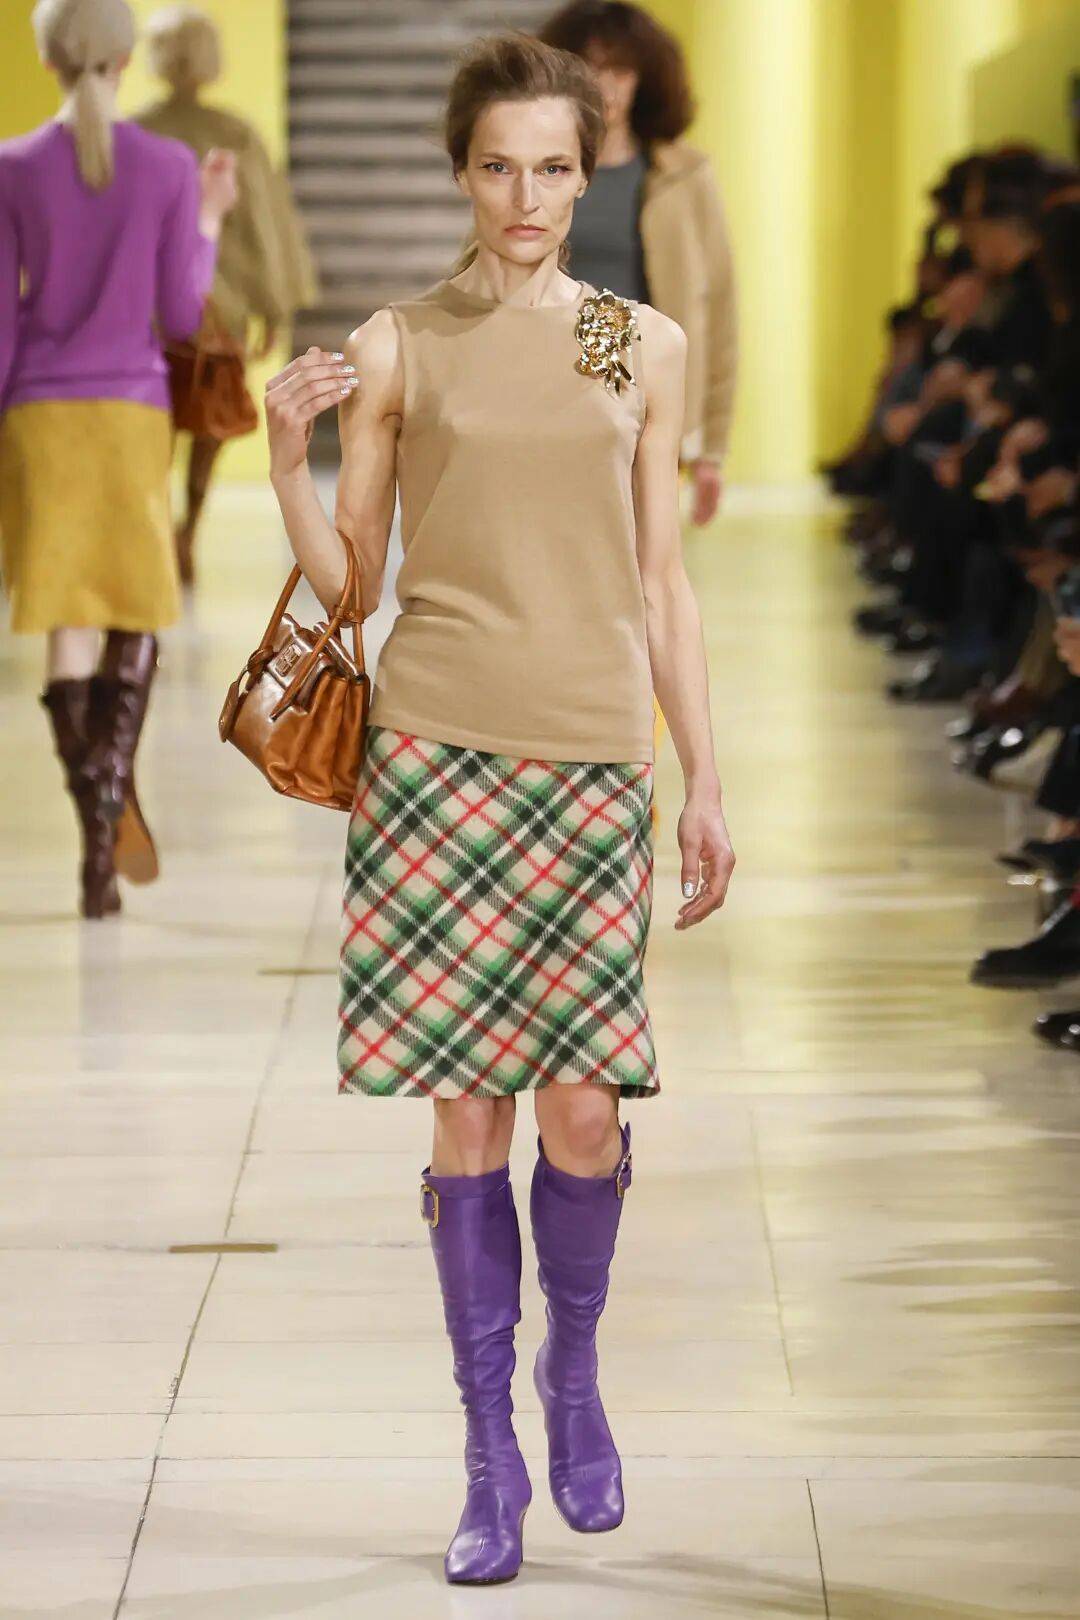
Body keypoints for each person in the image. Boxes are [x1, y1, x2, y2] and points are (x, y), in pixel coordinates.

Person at [263, 31, 735, 1588]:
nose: (526, 196)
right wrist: (283, 456)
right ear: (460, 173)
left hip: (593, 757)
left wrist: (705, 781)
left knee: (585, 1110)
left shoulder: (632, 344)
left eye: (553, 168)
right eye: (498, 167)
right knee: (467, 1109)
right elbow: (351, 588)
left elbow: (663, 583)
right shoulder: (402, 343)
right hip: (437, 757)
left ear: (588, 176)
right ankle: (486, 1452)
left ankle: (572, 1373)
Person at [0, 0, 236, 918]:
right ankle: (109, 809)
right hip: (131, 412)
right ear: (127, 59)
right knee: (134, 606)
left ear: (48, 61)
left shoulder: (12, 167)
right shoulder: (169, 167)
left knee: (66, 619)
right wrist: (209, 218)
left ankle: (96, 831)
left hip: (40, 416)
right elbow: (179, 314)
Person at [133, 3, 317, 584]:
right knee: (209, 422)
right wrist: (273, 305)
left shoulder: (133, 133)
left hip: (144, 306)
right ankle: (188, 528)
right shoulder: (233, 134)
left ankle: (156, 530)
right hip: (223, 303)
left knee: (152, 422)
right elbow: (263, 224)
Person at [540, 0, 737, 528]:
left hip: (646, 397)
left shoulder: (683, 175)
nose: (606, 86)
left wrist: (711, 448)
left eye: (621, 69)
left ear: (646, 77)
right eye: (590, 67)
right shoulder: (533, 169)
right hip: (546, 389)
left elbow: (718, 308)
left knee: (642, 555)